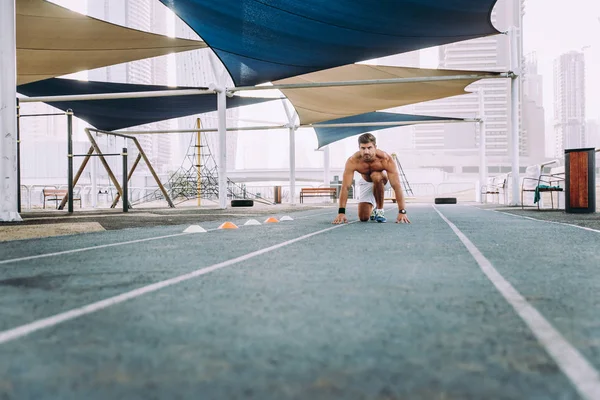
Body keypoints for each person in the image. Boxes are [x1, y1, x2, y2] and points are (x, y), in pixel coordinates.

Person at [332, 133, 411, 224]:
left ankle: (380, 211)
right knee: (364, 217)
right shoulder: (353, 161)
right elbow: (345, 187)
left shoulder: (385, 159)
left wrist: (402, 211)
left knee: (376, 176)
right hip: (366, 182)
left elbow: (397, 186)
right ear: (359, 148)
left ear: (375, 147)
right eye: (363, 148)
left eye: (369, 148)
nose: (366, 152)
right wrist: (341, 212)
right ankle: (373, 209)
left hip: (383, 180)